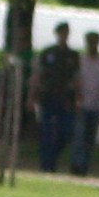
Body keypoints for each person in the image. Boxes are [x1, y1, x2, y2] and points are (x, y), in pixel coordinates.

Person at [33, 22, 77, 174]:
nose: (64, 35)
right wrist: (32, 95)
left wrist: (77, 97)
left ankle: (53, 157)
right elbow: (38, 75)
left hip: (66, 98)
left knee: (65, 131)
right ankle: (46, 163)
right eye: (62, 32)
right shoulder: (48, 53)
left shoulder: (73, 55)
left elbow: (76, 78)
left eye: (66, 32)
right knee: (47, 131)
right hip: (48, 95)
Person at [71, 30, 99, 175]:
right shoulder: (80, 61)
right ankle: (77, 164)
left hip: (96, 105)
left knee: (89, 139)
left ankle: (84, 164)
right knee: (79, 136)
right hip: (81, 104)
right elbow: (76, 82)